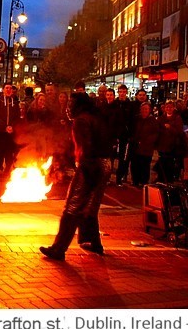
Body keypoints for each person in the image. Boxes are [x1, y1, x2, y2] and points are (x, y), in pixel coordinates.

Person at [40, 92, 114, 260]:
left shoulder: (81, 120)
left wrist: (82, 168)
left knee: (72, 206)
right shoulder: (95, 117)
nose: (68, 107)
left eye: (70, 104)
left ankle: (58, 248)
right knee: (90, 205)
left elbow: (86, 146)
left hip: (91, 164)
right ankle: (94, 243)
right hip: (104, 164)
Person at [155, 101, 186, 183]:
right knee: (162, 162)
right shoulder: (161, 118)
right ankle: (161, 178)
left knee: (170, 162)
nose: (169, 109)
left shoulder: (177, 118)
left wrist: (170, 128)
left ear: (173, 108)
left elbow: (179, 131)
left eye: (170, 107)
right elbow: (158, 130)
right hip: (162, 144)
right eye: (167, 107)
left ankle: (169, 179)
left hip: (172, 145)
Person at [130, 102, 159, 187]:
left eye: (146, 109)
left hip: (147, 148)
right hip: (136, 146)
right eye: (143, 109)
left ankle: (144, 181)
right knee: (135, 165)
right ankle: (135, 180)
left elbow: (155, 133)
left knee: (145, 165)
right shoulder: (137, 119)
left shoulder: (153, 121)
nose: (144, 110)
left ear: (149, 110)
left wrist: (146, 141)